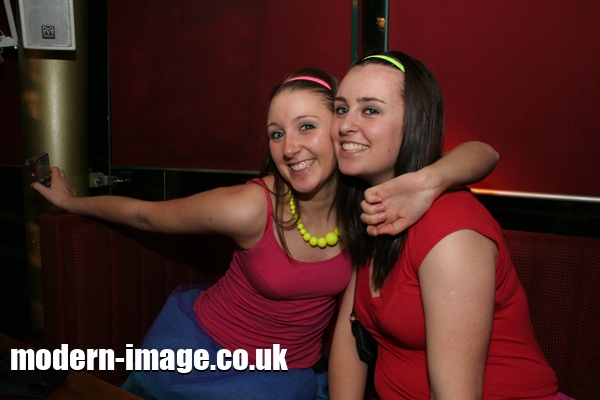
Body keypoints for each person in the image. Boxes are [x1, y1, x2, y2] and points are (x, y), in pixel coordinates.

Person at [33, 67, 497, 400]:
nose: (289, 147)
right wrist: (72, 203)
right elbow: (146, 216)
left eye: (307, 127)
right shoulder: (251, 206)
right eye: (276, 134)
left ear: (342, 132)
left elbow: (483, 153)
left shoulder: (372, 202)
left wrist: (428, 182)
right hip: (205, 355)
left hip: (289, 373)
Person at [328, 51, 570, 400]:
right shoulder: (374, 207)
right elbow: (350, 336)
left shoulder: (451, 229)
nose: (345, 125)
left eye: (370, 110)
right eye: (341, 109)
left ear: (414, 123)